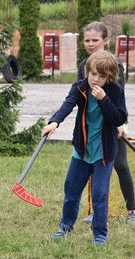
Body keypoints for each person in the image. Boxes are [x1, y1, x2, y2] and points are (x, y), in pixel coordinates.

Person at [44, 50, 127, 246]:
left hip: (103, 153)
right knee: (71, 191)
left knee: (99, 194)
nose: (95, 79)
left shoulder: (115, 91)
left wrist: (103, 99)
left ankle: (100, 234)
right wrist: (55, 122)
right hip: (81, 151)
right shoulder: (80, 87)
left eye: (101, 76)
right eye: (93, 74)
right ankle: (65, 228)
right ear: (87, 71)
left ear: (109, 77)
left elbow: (119, 117)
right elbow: (68, 104)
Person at [77, 21, 135, 224]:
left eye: (95, 40)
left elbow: (119, 97)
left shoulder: (115, 64)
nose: (90, 44)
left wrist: (120, 124)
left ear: (106, 40)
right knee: (95, 165)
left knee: (120, 164)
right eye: (87, 40)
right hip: (94, 126)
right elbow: (80, 94)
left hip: (114, 122)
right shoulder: (84, 65)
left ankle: (132, 210)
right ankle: (97, 211)